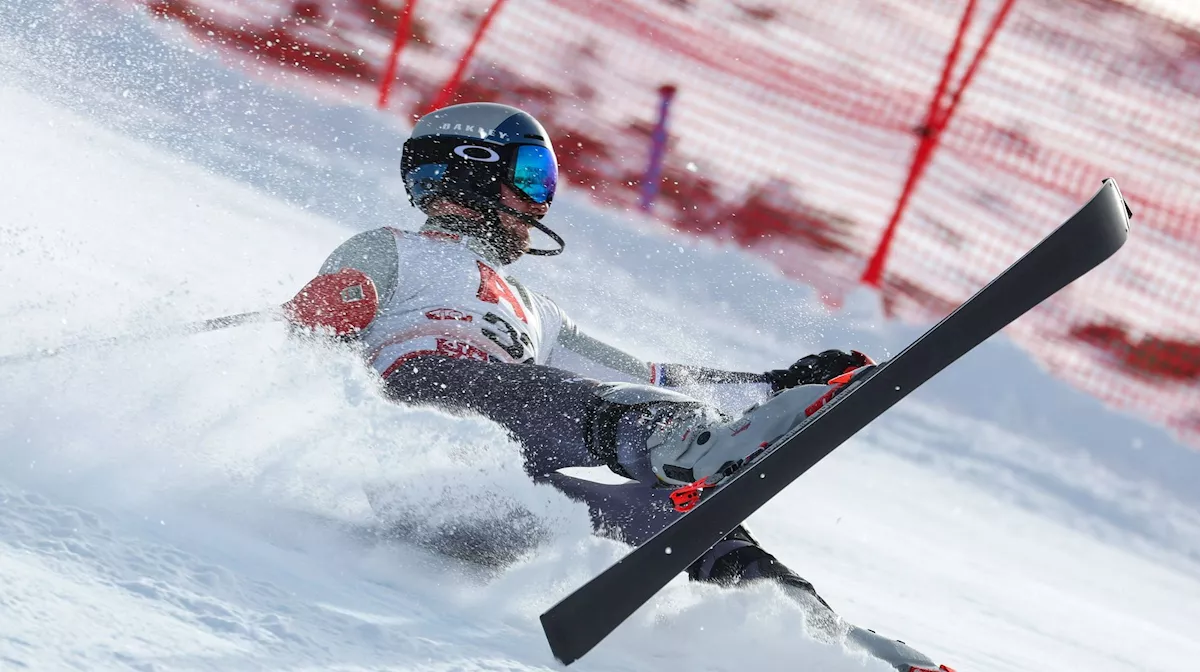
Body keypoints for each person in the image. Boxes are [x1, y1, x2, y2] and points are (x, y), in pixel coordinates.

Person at [283, 102, 949, 672]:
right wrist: (328, 310)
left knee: (685, 515)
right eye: (528, 176)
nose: (539, 202)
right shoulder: (394, 248)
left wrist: (774, 384)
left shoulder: (535, 310)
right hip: (420, 430)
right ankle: (708, 450)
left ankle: (817, 636)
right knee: (569, 400)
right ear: (468, 169)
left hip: (499, 504)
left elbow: (650, 381)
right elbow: (305, 335)